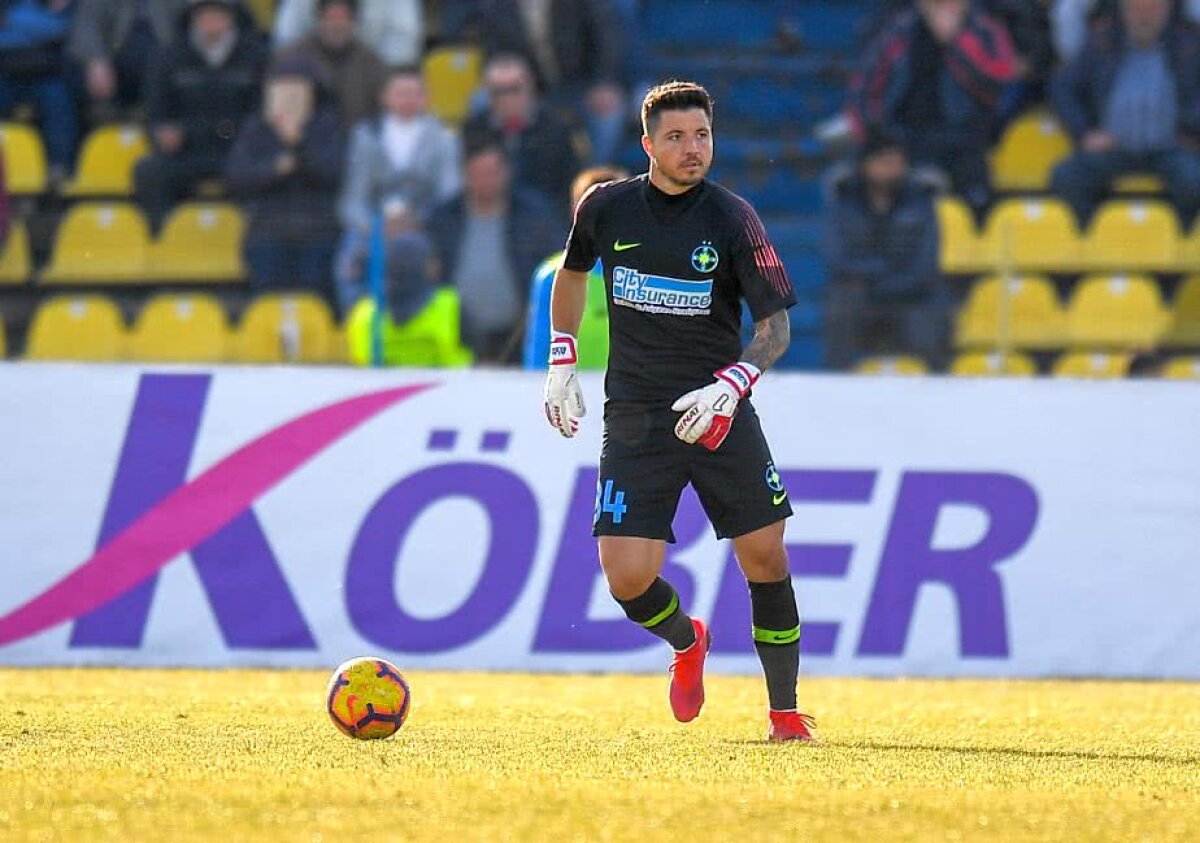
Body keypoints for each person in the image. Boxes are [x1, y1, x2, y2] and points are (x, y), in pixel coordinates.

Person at [541, 80, 816, 743]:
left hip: (716, 409)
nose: (693, 150)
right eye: (676, 138)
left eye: (702, 135)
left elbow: (775, 326)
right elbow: (573, 274)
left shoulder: (732, 218)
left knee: (766, 557)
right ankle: (688, 639)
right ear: (647, 146)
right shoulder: (605, 208)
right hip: (636, 414)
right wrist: (561, 359)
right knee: (628, 578)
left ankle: (784, 715)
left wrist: (735, 381)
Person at [849, 0, 1017, 212]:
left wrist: (955, 41)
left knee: (977, 200)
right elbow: (864, 88)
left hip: (966, 140)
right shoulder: (897, 32)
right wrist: (874, 137)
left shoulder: (985, 29)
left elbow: (998, 82)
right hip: (905, 138)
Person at [1050, 0, 1200, 226]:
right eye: (1137, 9)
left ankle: (1181, 245)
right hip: (1113, 148)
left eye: (1153, 9)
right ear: (1123, 10)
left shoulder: (1189, 47)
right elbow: (1062, 88)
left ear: (1167, 10)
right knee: (1067, 177)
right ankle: (1092, 241)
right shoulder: (1101, 42)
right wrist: (1085, 133)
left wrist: (1192, 129)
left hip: (1171, 149)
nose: (1144, 17)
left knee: (1193, 180)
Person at [334, 65, 461, 317]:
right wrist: (376, 226)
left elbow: (450, 193)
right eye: (400, 93)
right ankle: (359, 321)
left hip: (425, 224)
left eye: (414, 93)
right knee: (349, 258)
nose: (407, 100)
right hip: (373, 225)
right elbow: (353, 198)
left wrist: (416, 222)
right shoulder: (366, 136)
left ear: (425, 98)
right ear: (385, 98)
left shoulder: (444, 138)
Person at [443, 0, 628, 166]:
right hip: (528, 88)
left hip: (579, 84)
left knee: (608, 115)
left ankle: (596, 183)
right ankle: (502, 177)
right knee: (481, 101)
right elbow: (494, 52)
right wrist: (507, 75)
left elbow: (605, 38)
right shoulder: (498, 6)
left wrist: (604, 82)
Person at [134, 0, 267, 228]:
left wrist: (219, 132)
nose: (210, 21)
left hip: (238, 151)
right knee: (149, 172)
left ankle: (251, 241)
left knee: (265, 172)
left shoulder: (256, 56)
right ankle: (165, 241)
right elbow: (156, 113)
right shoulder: (169, 57)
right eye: (204, 14)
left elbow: (260, 113)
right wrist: (162, 133)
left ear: (232, 17)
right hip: (186, 151)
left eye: (217, 13)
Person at [428, 141, 563, 364]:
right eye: (478, 173)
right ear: (465, 175)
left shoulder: (533, 216)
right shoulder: (444, 218)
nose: (486, 180)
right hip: (458, 339)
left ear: (506, 173)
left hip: (516, 336)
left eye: (492, 173)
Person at [821, 131, 946, 371]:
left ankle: (935, 386)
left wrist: (885, 279)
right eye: (885, 162)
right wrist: (883, 271)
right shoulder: (843, 203)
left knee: (933, 306)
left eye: (898, 162)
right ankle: (836, 382)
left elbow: (926, 262)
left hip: (911, 293)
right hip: (863, 293)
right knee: (841, 301)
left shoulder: (921, 202)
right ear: (866, 164)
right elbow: (836, 258)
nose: (893, 169)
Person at [224, 54, 343, 300]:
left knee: (315, 302)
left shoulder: (327, 126)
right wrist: (273, 170)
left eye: (298, 88)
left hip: (318, 229)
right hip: (267, 229)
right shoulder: (256, 129)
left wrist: (297, 146)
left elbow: (335, 173)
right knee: (268, 303)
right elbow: (236, 178)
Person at [522, 164, 627, 369]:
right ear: (575, 211)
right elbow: (538, 352)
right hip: (572, 395)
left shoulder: (647, 268)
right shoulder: (552, 275)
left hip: (629, 397)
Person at [462, 52, 580, 209]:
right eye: (498, 91)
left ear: (529, 87)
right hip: (492, 214)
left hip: (546, 216)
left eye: (514, 89)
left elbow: (570, 183)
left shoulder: (556, 128)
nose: (507, 98)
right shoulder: (474, 129)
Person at [274, 0, 387, 131]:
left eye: (342, 18)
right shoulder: (291, 59)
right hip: (304, 140)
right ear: (319, 19)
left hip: (355, 142)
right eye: (331, 18)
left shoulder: (373, 64)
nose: (336, 25)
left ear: (353, 22)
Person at [0, 0, 79, 180]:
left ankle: (59, 170)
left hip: (45, 72)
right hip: (4, 69)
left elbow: (61, 27)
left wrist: (11, 21)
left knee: (58, 101)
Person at [68, 0, 188, 117]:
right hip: (116, 61)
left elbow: (192, 22)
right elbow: (86, 25)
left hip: (165, 61)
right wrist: (95, 60)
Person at [272, 0, 421, 67]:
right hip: (313, 75)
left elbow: (404, 41)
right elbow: (287, 39)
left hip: (372, 76)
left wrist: (374, 72)